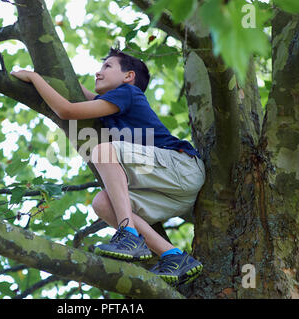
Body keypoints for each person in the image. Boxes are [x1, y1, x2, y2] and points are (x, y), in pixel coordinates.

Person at [11, 48, 205, 286]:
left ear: (128, 76)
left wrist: (34, 77)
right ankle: (173, 255)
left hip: (182, 167)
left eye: (107, 67)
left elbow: (67, 110)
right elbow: (80, 96)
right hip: (171, 191)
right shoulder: (113, 105)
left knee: (102, 150)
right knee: (102, 203)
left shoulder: (128, 94)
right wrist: (52, 75)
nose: (98, 72)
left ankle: (128, 235)